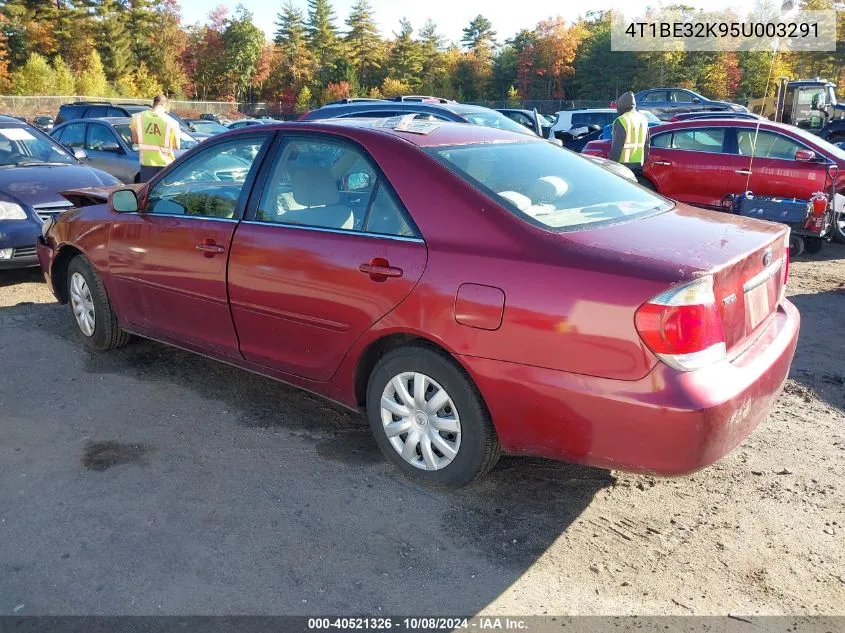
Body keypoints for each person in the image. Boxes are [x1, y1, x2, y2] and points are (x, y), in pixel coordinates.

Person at [130, 94, 180, 182]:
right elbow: (177, 146)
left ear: (153, 104)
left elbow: (135, 140)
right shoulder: (172, 122)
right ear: (165, 106)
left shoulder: (137, 118)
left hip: (147, 162)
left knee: (147, 192)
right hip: (166, 163)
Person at [609, 91, 649, 177]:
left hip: (623, 165)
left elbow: (617, 146)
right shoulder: (643, 118)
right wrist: (644, 160)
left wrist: (611, 165)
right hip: (639, 164)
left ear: (621, 105)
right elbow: (647, 144)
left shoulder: (621, 120)